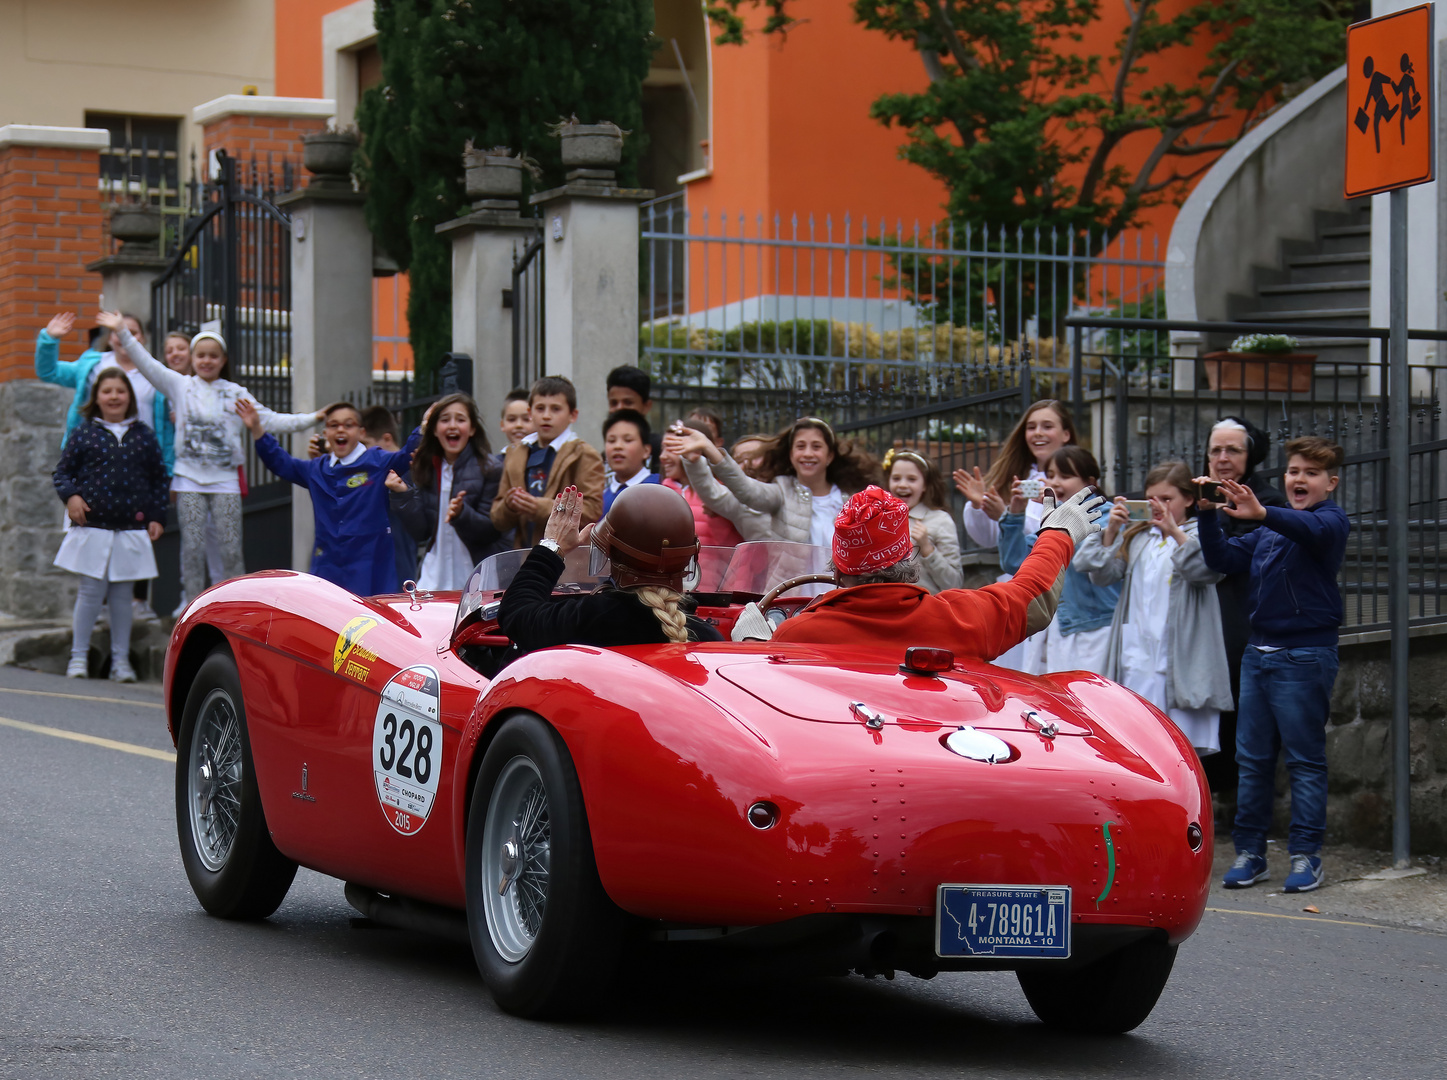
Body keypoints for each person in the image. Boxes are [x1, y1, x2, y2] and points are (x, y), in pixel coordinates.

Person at [1197, 437, 1350, 894]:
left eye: (1310, 473)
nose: (1298, 479)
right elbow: (1221, 559)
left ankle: (1306, 857)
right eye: (1293, 471)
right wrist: (1207, 513)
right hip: (1258, 655)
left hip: (1305, 656)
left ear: (1330, 483)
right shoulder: (1267, 529)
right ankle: (1250, 854)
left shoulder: (1331, 520)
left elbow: (1313, 533)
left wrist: (1263, 513)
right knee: (1252, 761)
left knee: (1304, 761)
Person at [731, 485, 1106, 665]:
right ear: (906, 558)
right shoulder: (958, 618)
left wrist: (755, 646)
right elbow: (1030, 595)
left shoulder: (798, 635)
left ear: (839, 567)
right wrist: (1058, 532)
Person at [97, 312, 323, 602]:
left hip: (225, 481)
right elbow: (147, 364)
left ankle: (233, 603)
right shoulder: (180, 385)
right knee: (192, 546)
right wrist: (123, 333)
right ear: (192, 359)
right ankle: (190, 603)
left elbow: (271, 420)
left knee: (230, 548)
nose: (206, 361)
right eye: (200, 355)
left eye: (213, 356)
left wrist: (313, 418)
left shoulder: (235, 393)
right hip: (188, 479)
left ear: (223, 360)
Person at [1074, 461, 1232, 756]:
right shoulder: (1138, 538)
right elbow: (1096, 571)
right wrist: (1112, 529)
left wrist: (1175, 533)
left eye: (1167, 499)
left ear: (1189, 499)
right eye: (1151, 500)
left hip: (1179, 660)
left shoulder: (1201, 534)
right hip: (1138, 658)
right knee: (1138, 746)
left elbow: (1206, 571)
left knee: (1180, 752)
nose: (1158, 506)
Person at [498, 484, 723, 654]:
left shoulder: (593, 619)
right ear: (688, 557)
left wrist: (551, 546)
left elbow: (518, 616)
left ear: (613, 554)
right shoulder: (707, 637)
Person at [51, 369, 169, 682]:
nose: (114, 396)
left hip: (131, 528)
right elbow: (62, 473)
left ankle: (121, 662)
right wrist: (71, 497)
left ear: (129, 396)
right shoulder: (84, 433)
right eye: (107, 391)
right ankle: (78, 658)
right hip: (94, 527)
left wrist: (157, 515)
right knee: (90, 593)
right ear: (97, 398)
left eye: (120, 391)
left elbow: (158, 479)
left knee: (122, 597)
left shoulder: (143, 435)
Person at [241, 400, 421, 595]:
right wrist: (257, 429)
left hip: (370, 563)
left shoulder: (378, 462)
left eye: (348, 425)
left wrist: (424, 426)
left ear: (361, 432)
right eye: (334, 425)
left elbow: (406, 456)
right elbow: (281, 463)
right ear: (326, 433)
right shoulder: (316, 469)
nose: (340, 430)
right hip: (327, 564)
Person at [1201, 417, 1288, 798]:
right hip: (1203, 622)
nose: (1222, 458)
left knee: (1240, 717)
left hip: (1242, 621)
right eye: (1216, 450)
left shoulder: (1266, 501)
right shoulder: (1203, 495)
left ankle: (1240, 802)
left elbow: (1227, 559)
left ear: (1250, 455)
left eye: (1232, 450)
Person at [666, 417, 879, 547]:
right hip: (794, 600)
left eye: (816, 446)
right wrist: (707, 453)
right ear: (791, 454)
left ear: (830, 456)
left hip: (839, 598)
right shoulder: (781, 490)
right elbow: (745, 489)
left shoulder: (853, 499)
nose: (807, 453)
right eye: (800, 446)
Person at [1000, 446, 1120, 674]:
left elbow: (1083, 556)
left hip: (1095, 628)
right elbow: (1014, 561)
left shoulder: (1108, 516)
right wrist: (1015, 512)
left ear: (1090, 482)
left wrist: (1057, 516)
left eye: (1065, 476)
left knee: (1091, 703)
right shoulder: (1054, 519)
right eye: (1051, 475)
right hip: (1057, 628)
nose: (1055, 483)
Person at [389, 394, 509, 590]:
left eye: (460, 419)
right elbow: (421, 532)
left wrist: (462, 514)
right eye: (445, 420)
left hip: (476, 575)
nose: (452, 425)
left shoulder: (491, 468)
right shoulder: (426, 467)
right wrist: (402, 494)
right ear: (435, 429)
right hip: (434, 574)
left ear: (471, 429)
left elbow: (492, 531)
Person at [35, 311, 175, 472]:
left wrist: (168, 468)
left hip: (143, 460)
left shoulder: (155, 371)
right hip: (96, 458)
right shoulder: (92, 366)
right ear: (109, 338)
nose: (124, 336)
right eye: (118, 332)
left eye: (132, 332)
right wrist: (49, 340)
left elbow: (167, 424)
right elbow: (49, 372)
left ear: (143, 338)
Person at [491, 375, 605, 548]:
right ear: (530, 413)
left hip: (566, 562)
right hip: (523, 556)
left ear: (573, 415)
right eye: (540, 408)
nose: (546, 416)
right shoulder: (516, 453)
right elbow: (497, 520)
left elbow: (592, 512)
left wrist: (541, 508)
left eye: (555, 409)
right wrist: (510, 504)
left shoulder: (584, 454)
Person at [952, 399, 1077, 549]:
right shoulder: (1017, 476)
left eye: (1047, 426)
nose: (1037, 433)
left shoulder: (1078, 480)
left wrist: (1009, 518)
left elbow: (1059, 538)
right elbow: (989, 539)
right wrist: (979, 506)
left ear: (1066, 434)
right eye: (1031, 427)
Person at [357, 405, 420, 588]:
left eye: (366, 446)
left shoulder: (411, 475)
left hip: (398, 578)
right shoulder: (366, 475)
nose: (362, 456)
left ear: (386, 439)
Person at [883, 448, 962, 593]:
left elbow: (954, 583)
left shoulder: (940, 520)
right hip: (887, 609)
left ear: (925, 485)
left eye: (912, 479)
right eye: (896, 478)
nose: (902, 485)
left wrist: (928, 550)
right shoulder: (880, 519)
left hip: (926, 610)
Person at [659, 428, 746, 548]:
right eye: (662, 449)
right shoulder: (659, 493)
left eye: (672, 448)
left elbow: (733, 549)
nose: (662, 456)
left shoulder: (720, 494)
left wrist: (718, 518)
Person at [601, 409, 661, 513]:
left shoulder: (660, 487)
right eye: (611, 441)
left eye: (628, 440)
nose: (617, 446)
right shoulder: (601, 498)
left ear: (646, 450)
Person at [605, 364, 662, 469]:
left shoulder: (661, 452)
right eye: (614, 403)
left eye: (628, 402)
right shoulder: (606, 457)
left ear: (646, 406)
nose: (620, 408)